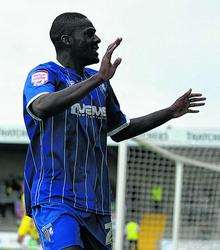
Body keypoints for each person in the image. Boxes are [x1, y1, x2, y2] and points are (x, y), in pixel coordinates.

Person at [23, 12, 206, 250]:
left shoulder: (101, 85)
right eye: (89, 33)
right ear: (66, 40)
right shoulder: (46, 74)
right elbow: (40, 106)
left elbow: (120, 130)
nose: (97, 39)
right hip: (55, 197)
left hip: (96, 203)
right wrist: (98, 78)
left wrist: (170, 112)